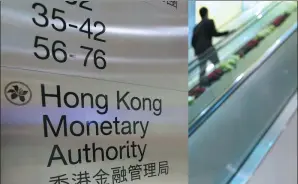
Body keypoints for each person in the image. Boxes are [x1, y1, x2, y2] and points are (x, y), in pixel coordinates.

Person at [191, 7, 235, 77]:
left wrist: (198, 49)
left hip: (199, 52)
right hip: (208, 49)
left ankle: (201, 85)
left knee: (202, 69)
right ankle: (222, 79)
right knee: (217, 64)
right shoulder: (210, 22)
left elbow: (193, 43)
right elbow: (215, 34)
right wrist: (227, 32)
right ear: (206, 13)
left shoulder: (196, 27)